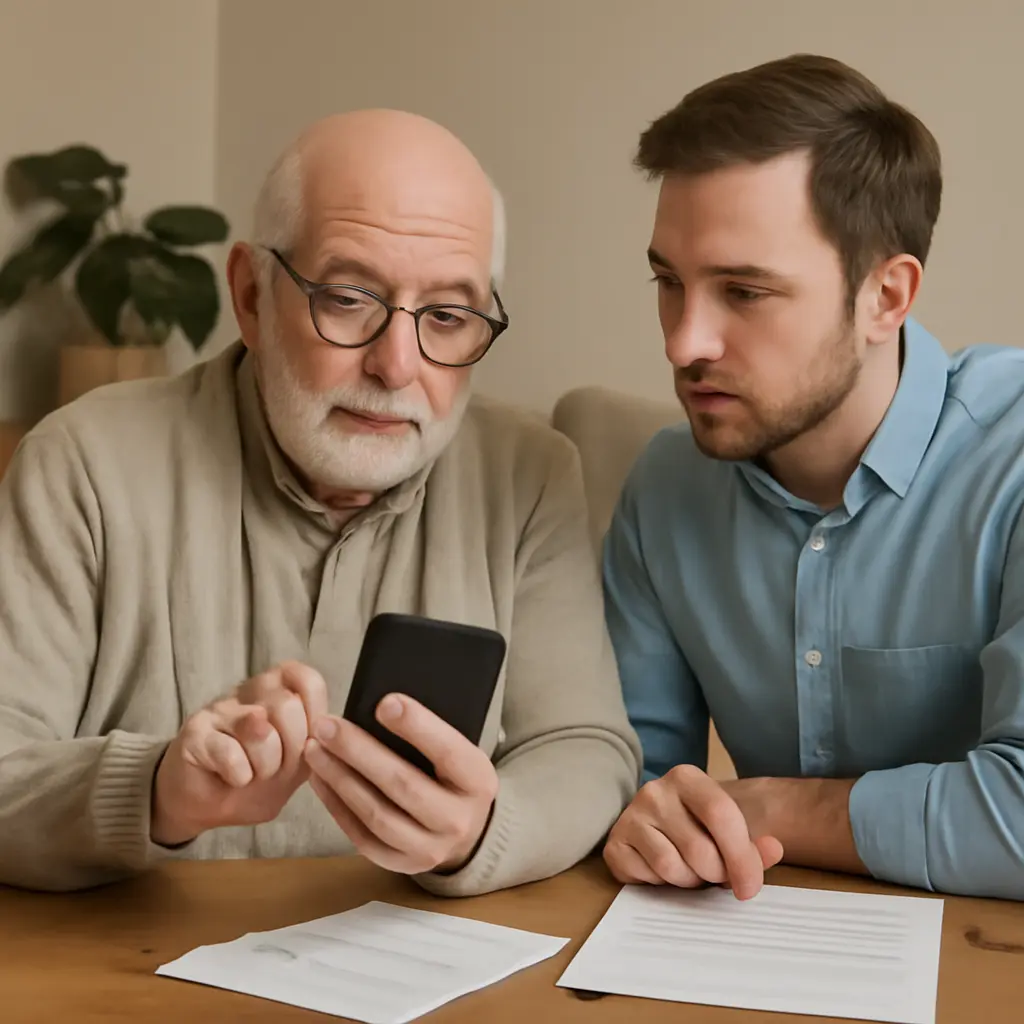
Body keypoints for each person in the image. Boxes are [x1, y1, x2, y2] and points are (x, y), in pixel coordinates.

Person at [0, 109, 641, 893]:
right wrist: (158, 788)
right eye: (347, 299)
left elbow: (585, 747)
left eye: (446, 316)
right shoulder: (82, 465)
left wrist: (480, 832)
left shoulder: (532, 474)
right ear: (250, 295)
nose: (397, 365)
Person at [601, 53, 1024, 902]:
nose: (685, 343)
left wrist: (766, 808)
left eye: (744, 291)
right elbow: (628, 782)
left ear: (885, 296)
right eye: (668, 282)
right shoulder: (665, 490)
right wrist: (643, 819)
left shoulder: (1011, 458)